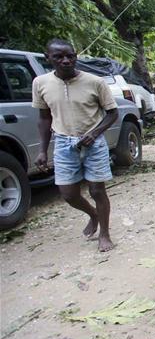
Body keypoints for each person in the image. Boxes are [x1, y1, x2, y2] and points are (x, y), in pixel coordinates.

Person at [32, 39, 118, 252]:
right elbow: (44, 118)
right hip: (63, 142)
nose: (66, 60)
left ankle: (105, 234)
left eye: (70, 56)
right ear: (48, 58)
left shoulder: (95, 82)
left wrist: (95, 133)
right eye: (58, 57)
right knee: (68, 194)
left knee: (97, 190)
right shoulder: (40, 83)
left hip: (93, 141)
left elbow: (113, 113)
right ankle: (93, 215)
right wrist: (42, 150)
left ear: (75, 56)